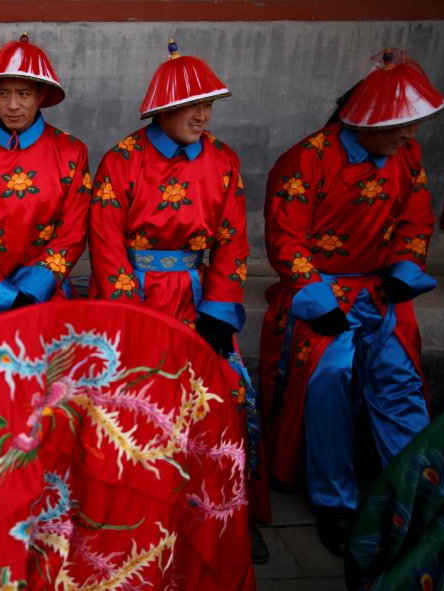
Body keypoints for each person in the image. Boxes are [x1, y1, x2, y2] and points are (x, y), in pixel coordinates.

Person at [259, 48, 444, 557]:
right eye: (398, 127)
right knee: (331, 373)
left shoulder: (407, 156)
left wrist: (407, 268)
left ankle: (416, 492)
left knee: (399, 374)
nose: (409, 135)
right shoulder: (306, 159)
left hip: (382, 289)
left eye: (413, 126)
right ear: (364, 121)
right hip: (317, 290)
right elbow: (285, 242)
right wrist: (318, 298)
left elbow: (416, 220)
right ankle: (335, 501)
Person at [87, 39, 266, 562]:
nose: (203, 115)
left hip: (196, 296)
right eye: (192, 106)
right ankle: (130, 515)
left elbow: (233, 240)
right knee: (130, 397)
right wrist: (131, 313)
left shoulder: (224, 159)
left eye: (208, 105)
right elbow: (105, 243)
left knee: (228, 393)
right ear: (163, 109)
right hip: (136, 297)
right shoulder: (122, 160)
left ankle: (228, 511)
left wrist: (217, 310)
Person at [0, 34, 91, 324]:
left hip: (48, 291)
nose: (12, 105)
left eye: (23, 94)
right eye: (3, 93)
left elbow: (72, 233)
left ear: (41, 96)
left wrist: (34, 290)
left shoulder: (72, 152)